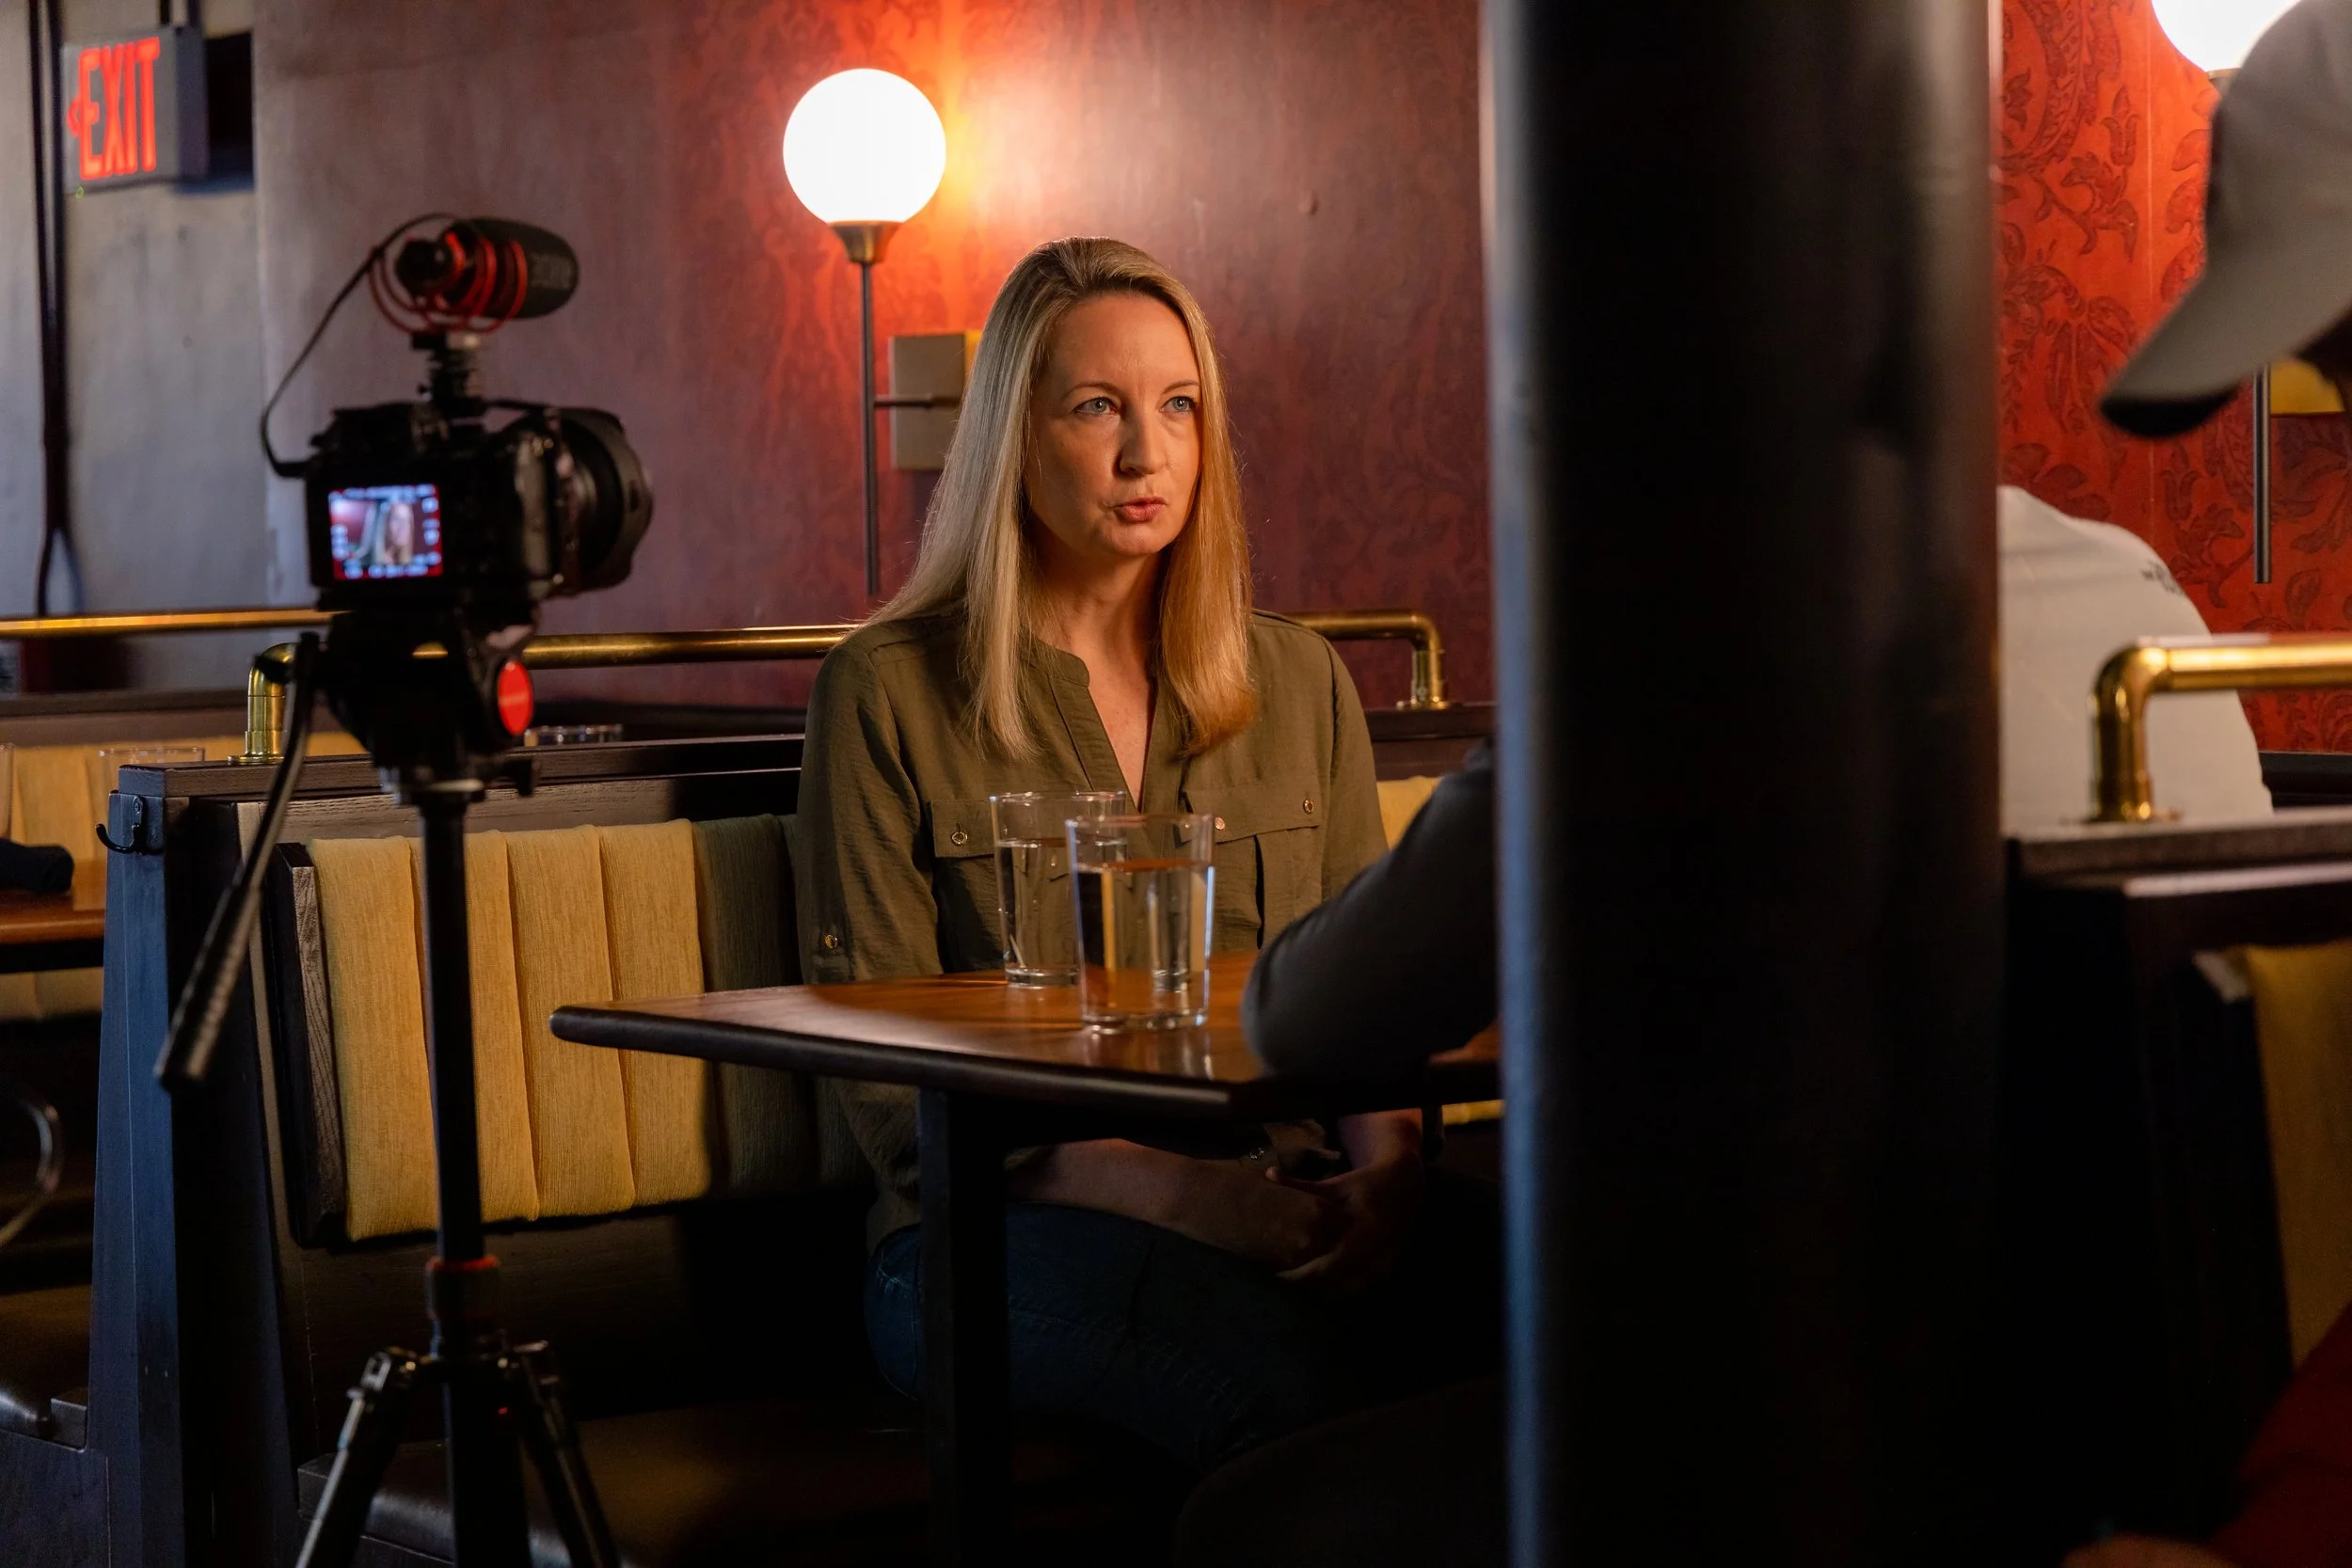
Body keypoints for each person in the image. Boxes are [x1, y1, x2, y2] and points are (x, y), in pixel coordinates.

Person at [793, 236, 1482, 1473]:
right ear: (1014, 435)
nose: (1145, 455)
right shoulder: (884, 690)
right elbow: (895, 1109)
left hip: (1286, 1191)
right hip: (979, 1238)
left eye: (1179, 406)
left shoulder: (1299, 677)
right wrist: (1186, 1197)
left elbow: (1370, 999)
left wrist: (1391, 1174)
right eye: (1096, 407)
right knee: (1300, 1394)